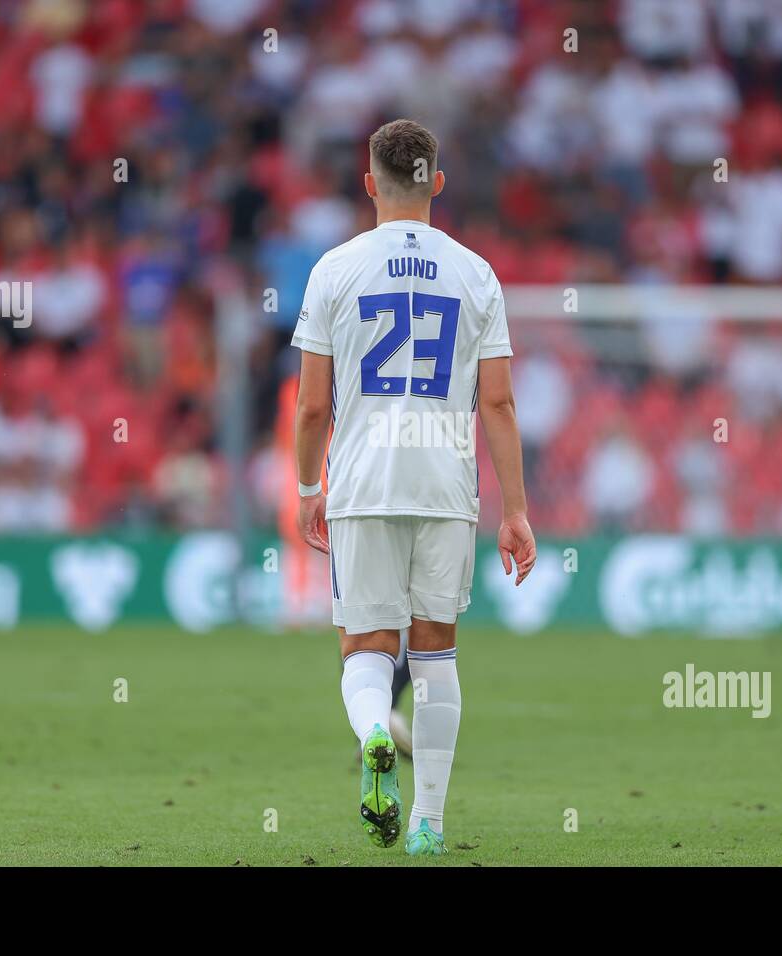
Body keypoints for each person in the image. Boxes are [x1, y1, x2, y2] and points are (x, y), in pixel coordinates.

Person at [291, 119, 535, 856]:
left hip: (363, 481)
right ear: (437, 183)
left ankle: (373, 735)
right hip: (444, 485)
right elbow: (497, 403)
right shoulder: (476, 272)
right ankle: (428, 824)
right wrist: (516, 510)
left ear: (369, 184)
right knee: (435, 655)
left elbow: (309, 405)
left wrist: (309, 485)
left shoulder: (334, 268)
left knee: (365, 647)